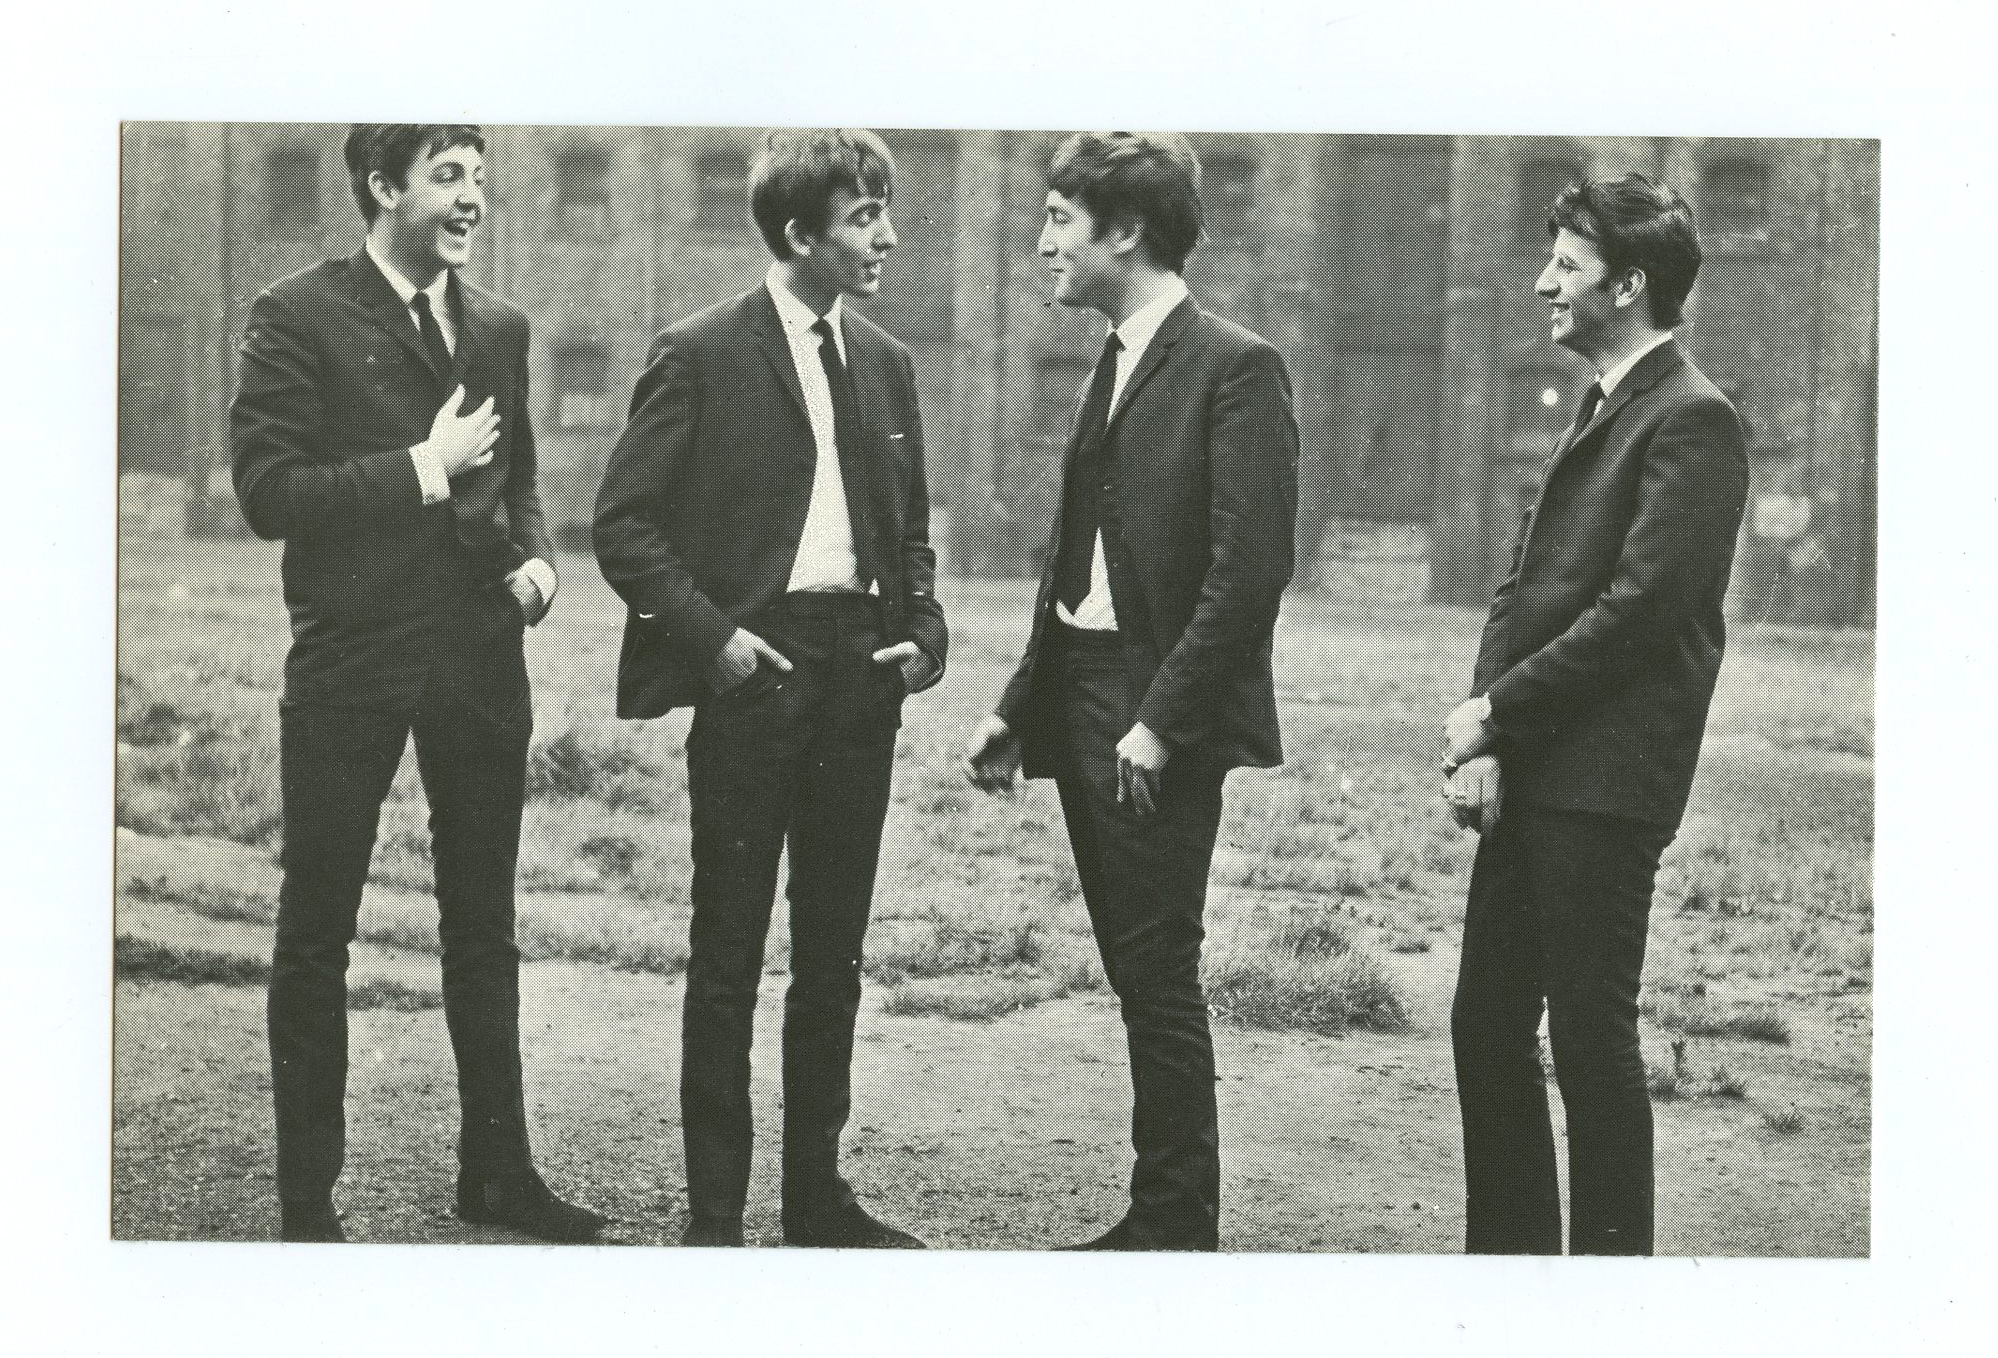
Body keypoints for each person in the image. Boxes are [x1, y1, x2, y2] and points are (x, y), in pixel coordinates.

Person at [230, 123, 604, 1243]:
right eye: (448, 177)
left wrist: (536, 562)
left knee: (483, 922)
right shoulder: (294, 313)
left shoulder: (497, 324)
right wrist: (421, 470)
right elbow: (267, 492)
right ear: (383, 185)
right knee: (319, 925)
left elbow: (523, 467)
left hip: (482, 656)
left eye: (479, 180)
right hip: (350, 656)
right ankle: (308, 1203)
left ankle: (497, 1172)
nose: (471, 199)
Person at [593, 129, 946, 1249]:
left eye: (885, 209)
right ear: (799, 233)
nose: (887, 233)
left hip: (859, 681)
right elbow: (624, 526)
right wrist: (717, 645)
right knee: (729, 949)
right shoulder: (697, 352)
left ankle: (815, 1199)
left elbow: (912, 536)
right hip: (755, 675)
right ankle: (715, 1217)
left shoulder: (886, 362)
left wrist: (923, 636)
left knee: (833, 951)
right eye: (863, 215)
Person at [966, 131, 1298, 1251]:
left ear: (1127, 232)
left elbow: (1247, 571)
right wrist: (1020, 704)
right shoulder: (1109, 358)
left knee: (1156, 969)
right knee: (1132, 963)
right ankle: (1164, 1214)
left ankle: (1173, 1222)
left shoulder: (1235, 364)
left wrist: (1162, 719)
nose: (1044, 241)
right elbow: (1076, 557)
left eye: (1062, 219)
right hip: (1085, 696)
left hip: (1158, 713)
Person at [1442, 172, 1749, 1255]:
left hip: (1606, 789)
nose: (1543, 284)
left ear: (1629, 284)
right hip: (1534, 768)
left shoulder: (1695, 419)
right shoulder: (1602, 403)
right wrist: (1486, 730)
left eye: (1566, 267)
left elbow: (1638, 615)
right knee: (1484, 1025)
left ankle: (1611, 1295)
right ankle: (1515, 1278)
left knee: (1588, 1040)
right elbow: (1521, 582)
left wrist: (1495, 711)